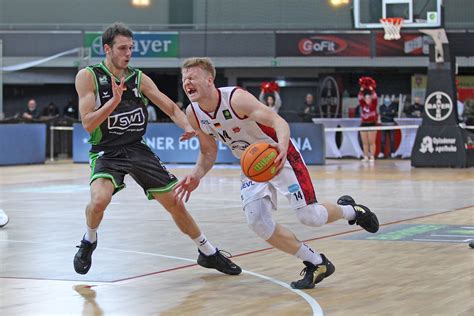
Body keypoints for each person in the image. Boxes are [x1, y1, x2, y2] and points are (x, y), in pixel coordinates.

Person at [175, 57, 379, 289]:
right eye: (184, 79)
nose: (187, 82)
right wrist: (196, 175)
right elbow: (208, 152)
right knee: (258, 222)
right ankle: (317, 262)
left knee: (310, 217)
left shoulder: (235, 99)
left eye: (192, 77)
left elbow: (277, 120)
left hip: (279, 155)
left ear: (209, 80)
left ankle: (351, 211)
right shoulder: (193, 113)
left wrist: (282, 146)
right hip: (252, 165)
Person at [73, 23, 241, 276]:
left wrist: (188, 126)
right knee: (99, 200)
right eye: (122, 48)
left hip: (137, 148)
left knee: (175, 203)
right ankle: (89, 240)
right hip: (107, 150)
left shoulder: (138, 78)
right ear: (107, 49)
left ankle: (208, 252)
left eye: (131, 48)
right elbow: (87, 123)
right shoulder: (88, 76)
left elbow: (171, 107)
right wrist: (114, 102)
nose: (128, 53)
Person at [358, 87, 378, 162]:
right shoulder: (363, 105)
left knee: (371, 142)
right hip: (363, 124)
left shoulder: (374, 105)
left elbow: (375, 97)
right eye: (366, 98)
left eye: (369, 98)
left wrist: (372, 89)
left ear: (371, 99)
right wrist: (361, 90)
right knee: (365, 142)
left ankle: (372, 156)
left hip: (372, 124)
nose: (367, 99)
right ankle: (365, 156)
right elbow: (360, 98)